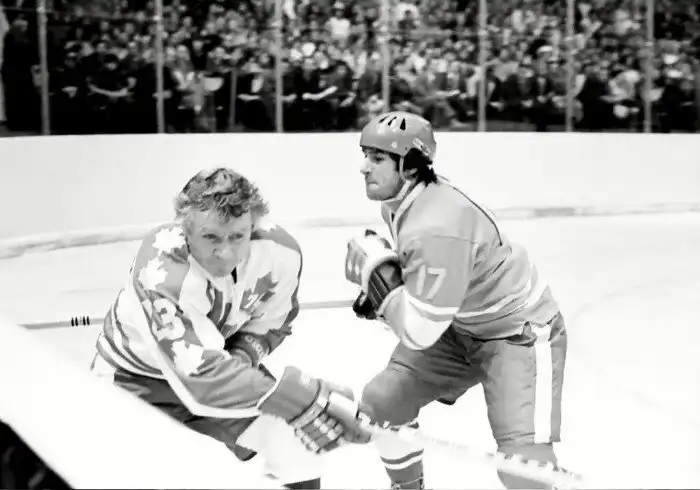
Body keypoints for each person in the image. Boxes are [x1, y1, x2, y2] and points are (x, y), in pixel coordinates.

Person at [90, 167, 371, 489]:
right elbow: (201, 374)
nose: (225, 253)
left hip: (218, 366)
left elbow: (272, 324)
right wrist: (303, 395)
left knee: (293, 441)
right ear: (185, 228)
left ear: (253, 226)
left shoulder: (280, 254)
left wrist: (242, 358)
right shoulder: (161, 267)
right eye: (210, 237)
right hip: (131, 380)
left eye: (237, 237)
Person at [344, 111, 568, 489]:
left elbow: (420, 331)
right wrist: (390, 294)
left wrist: (383, 283)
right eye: (365, 155)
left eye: (377, 158)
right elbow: (430, 285)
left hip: (518, 334)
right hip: (459, 325)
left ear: (410, 167)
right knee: (383, 403)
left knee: (524, 468)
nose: (364, 167)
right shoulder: (400, 202)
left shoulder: (438, 226)